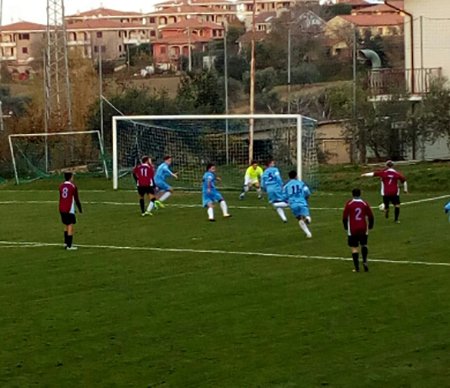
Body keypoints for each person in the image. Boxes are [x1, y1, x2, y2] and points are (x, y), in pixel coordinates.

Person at [342, 188, 374, 273]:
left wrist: (345, 226)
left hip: (353, 229)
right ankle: (364, 261)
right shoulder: (364, 203)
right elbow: (370, 216)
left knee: (354, 248)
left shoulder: (349, 204)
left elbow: (345, 217)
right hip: (363, 227)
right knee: (364, 244)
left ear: (352, 194)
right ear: (360, 194)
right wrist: (371, 225)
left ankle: (357, 268)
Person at [283, 170, 312, 238]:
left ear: (289, 177)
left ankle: (308, 234)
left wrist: (287, 201)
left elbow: (284, 196)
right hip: (302, 202)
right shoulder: (301, 183)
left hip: (293, 204)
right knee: (306, 215)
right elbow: (307, 192)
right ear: (296, 176)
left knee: (299, 218)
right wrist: (306, 199)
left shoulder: (286, 186)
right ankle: (307, 218)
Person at [59, 172, 82, 250]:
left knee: (66, 224)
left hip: (61, 208)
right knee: (70, 225)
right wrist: (80, 209)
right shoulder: (73, 186)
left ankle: (66, 243)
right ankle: (69, 246)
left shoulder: (61, 186)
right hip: (68, 209)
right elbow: (76, 199)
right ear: (70, 178)